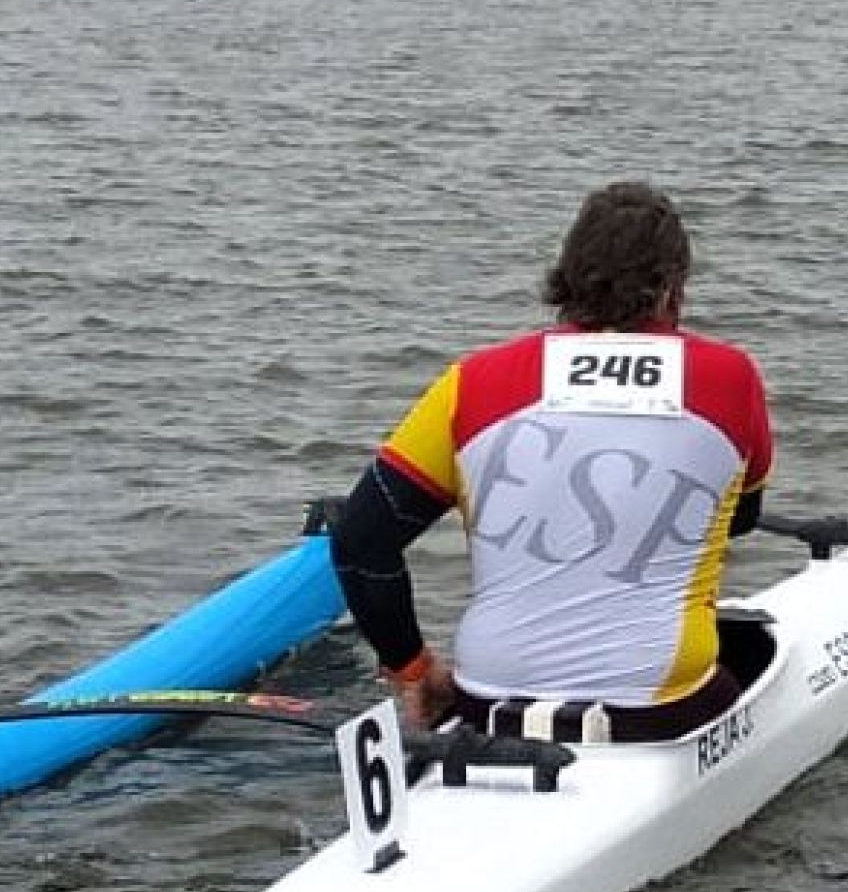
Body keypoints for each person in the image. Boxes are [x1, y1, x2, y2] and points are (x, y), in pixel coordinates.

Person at [329, 182, 775, 741]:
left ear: (566, 278)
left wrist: (412, 669)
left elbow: (360, 541)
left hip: (487, 699)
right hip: (654, 709)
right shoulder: (730, 378)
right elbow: (742, 519)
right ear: (672, 288)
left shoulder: (472, 381)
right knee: (746, 657)